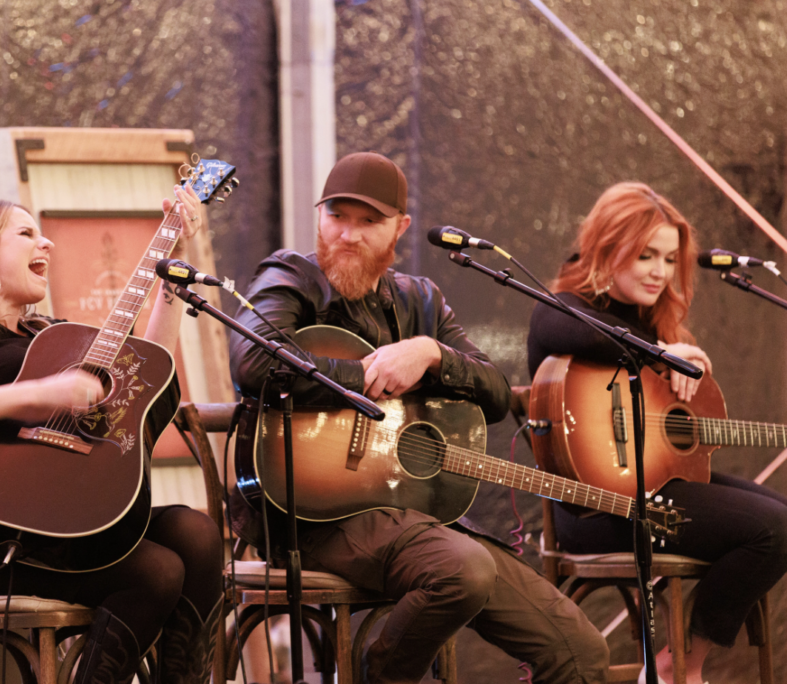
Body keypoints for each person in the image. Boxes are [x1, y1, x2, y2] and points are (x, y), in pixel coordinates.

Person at [229, 152, 610, 684]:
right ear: (319, 216)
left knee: (580, 651)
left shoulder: (420, 300)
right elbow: (253, 359)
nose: (348, 234)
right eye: (337, 216)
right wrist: (362, 374)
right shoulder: (291, 274)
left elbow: (497, 395)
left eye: (369, 222)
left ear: (400, 229)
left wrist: (430, 352)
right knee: (463, 568)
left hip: (415, 517)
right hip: (307, 515)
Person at [0, 189, 223, 684]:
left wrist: (170, 275)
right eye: (26, 234)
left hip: (70, 525)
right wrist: (42, 393)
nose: (46, 244)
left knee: (197, 533)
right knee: (156, 571)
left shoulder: (55, 333)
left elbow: (146, 372)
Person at [527, 181, 787, 684]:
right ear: (606, 246)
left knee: (780, 523)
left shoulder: (655, 321)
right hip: (596, 506)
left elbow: (674, 437)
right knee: (771, 530)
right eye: (646, 255)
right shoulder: (561, 308)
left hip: (657, 488)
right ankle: (678, 669)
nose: (660, 272)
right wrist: (659, 355)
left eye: (669, 260)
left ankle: (674, 660)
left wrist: (666, 357)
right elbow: (557, 325)